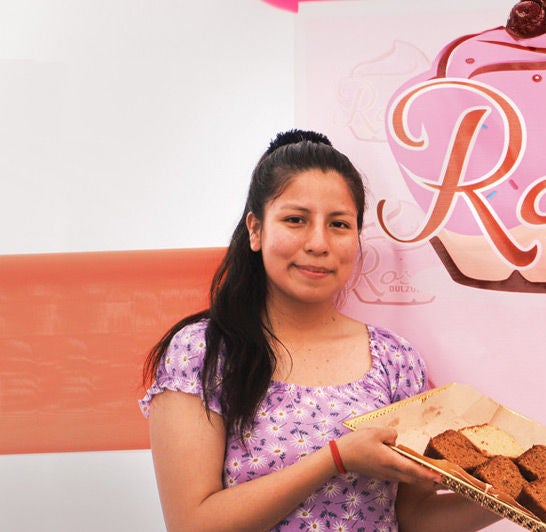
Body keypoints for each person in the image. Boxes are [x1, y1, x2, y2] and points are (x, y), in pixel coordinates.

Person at [139, 130, 500, 531]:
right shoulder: (202, 352)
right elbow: (191, 524)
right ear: (256, 230)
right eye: (296, 220)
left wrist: (521, 502)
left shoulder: (395, 359)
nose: (318, 243)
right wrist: (336, 458)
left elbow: (413, 519)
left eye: (339, 225)